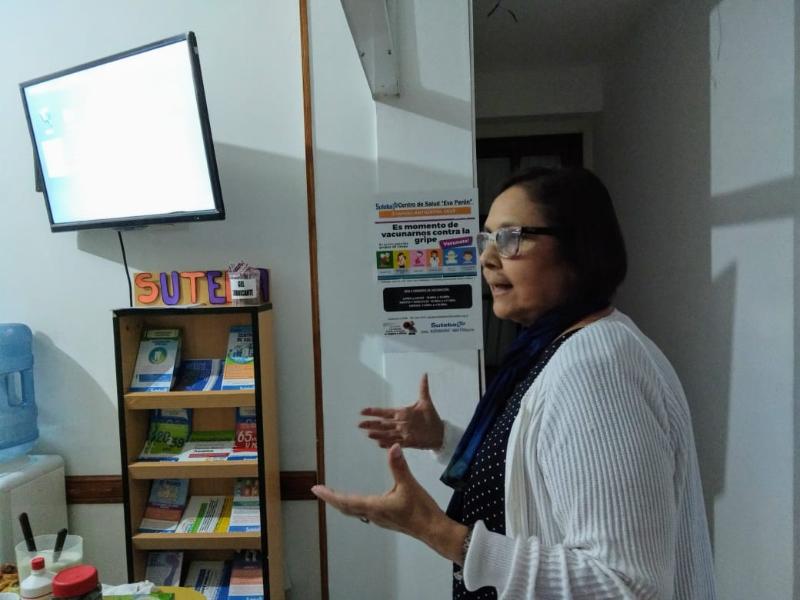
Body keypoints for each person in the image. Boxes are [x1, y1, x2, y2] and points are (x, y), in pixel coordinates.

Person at [312, 167, 716, 599]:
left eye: (510, 238)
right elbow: (533, 476)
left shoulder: (598, 366)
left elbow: (626, 586)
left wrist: (435, 530)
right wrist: (442, 437)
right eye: (486, 239)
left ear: (578, 247)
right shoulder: (556, 348)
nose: (487, 258)